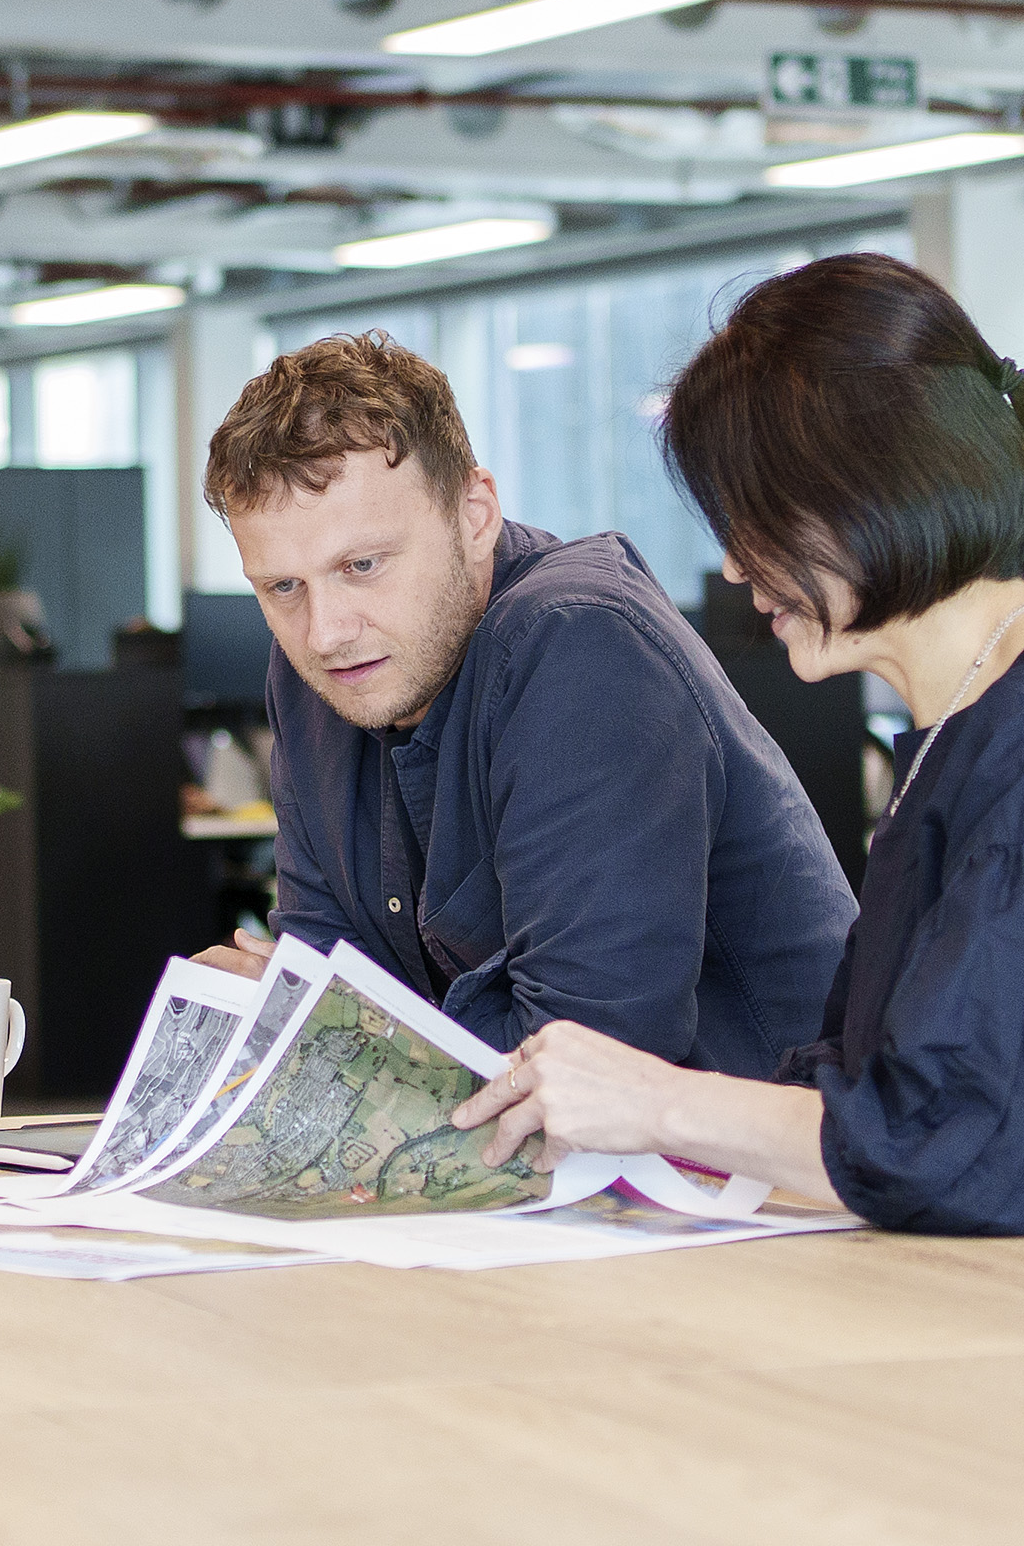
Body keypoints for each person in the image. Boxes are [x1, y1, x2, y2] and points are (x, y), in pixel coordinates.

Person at [450, 257, 1024, 1235]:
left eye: (759, 520)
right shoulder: (966, 732)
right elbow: (877, 1092)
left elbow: (976, 1150)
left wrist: (657, 1101)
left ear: (872, 490)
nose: (736, 564)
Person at [203, 332, 852, 1076]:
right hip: (537, 1179)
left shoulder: (581, 645)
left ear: (475, 514)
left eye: (363, 564)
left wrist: (332, 1032)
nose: (325, 632)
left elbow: (587, 1064)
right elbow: (316, 978)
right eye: (283, 586)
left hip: (761, 1177)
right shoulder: (315, 678)